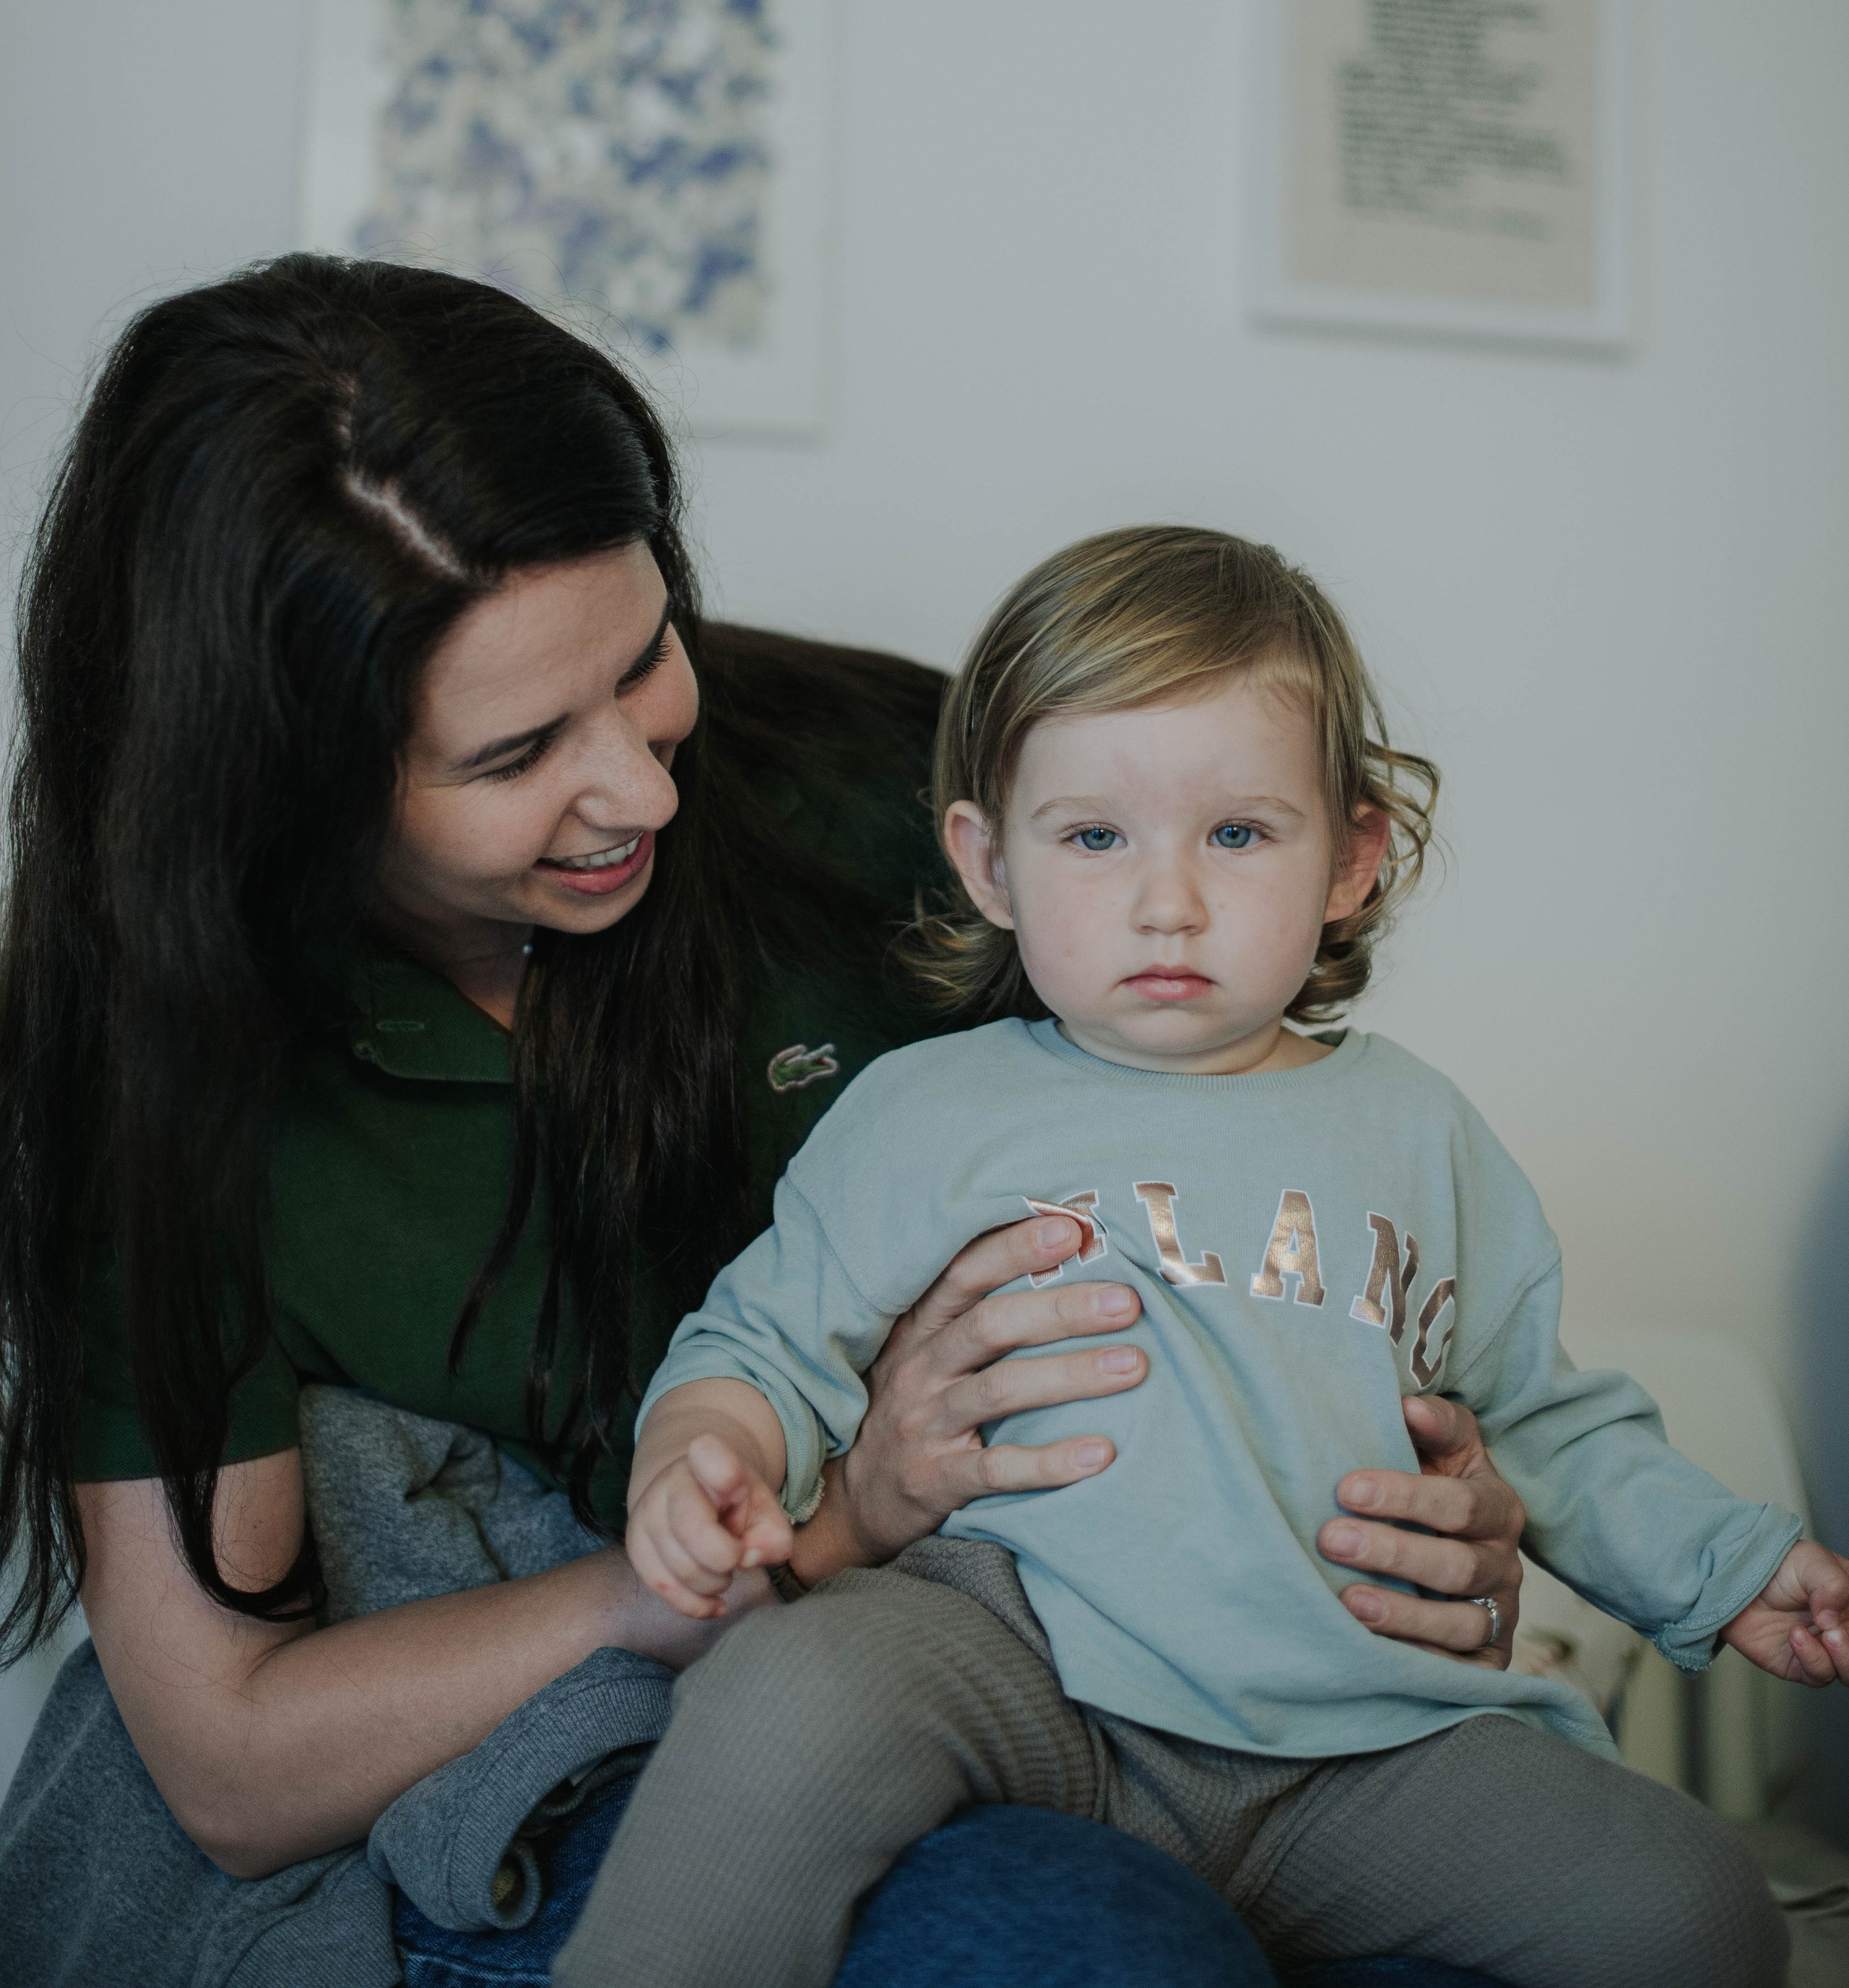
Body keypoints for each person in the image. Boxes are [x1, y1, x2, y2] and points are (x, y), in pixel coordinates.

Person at [0, 261, 1525, 1988]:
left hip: (1089, 1671)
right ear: (275, 777)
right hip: (603, 1741)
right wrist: (793, 1535)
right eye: (515, 755)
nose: (646, 787)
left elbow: (1255, 1189)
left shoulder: (888, 790)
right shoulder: (153, 1065)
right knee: (1092, 1949)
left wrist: (1418, 1500)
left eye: (648, 657)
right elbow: (231, 1756)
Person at [584, 524, 1843, 1988]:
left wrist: (1732, 1567)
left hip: (1355, 1731)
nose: (1163, 900)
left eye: (1236, 834)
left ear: (1350, 858)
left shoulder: (1416, 1130)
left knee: (1690, 1905)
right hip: (1014, 1666)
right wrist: (700, 1455)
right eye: (1093, 836)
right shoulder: (931, 1108)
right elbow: (760, 1345)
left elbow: (1541, 1418)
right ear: (988, 862)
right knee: (790, 1685)